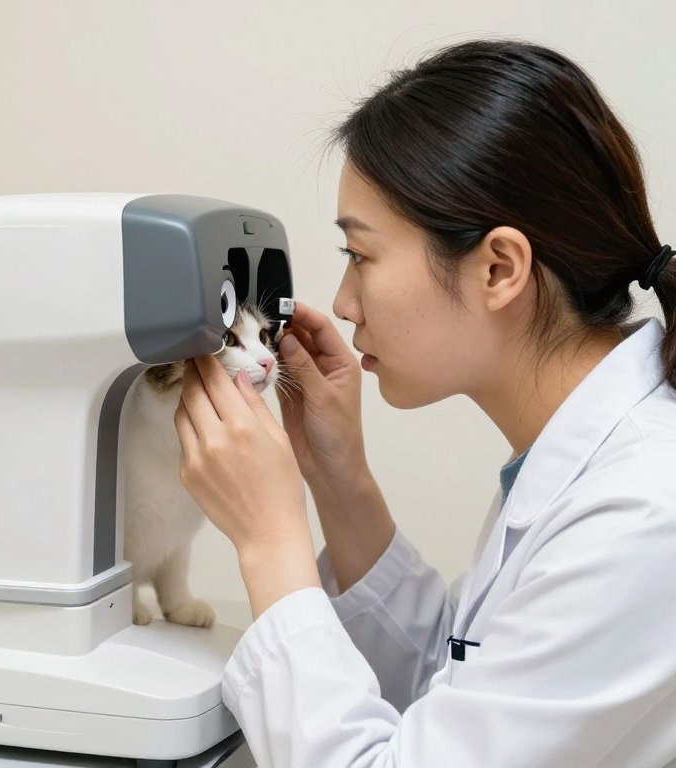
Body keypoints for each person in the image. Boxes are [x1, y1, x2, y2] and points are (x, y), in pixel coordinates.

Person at [175, 39, 676, 767]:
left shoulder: (643, 513)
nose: (344, 303)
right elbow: (462, 691)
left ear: (499, 268)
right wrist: (339, 480)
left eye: (361, 256)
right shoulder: (582, 461)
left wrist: (268, 540)